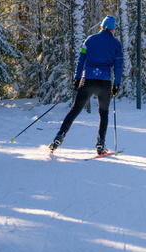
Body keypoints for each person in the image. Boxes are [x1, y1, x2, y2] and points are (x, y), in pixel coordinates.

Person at [49, 15, 124, 155]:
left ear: (101, 27)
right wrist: (116, 85)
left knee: (74, 111)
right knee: (104, 113)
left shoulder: (89, 40)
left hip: (88, 80)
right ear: (113, 30)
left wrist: (77, 78)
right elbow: (118, 66)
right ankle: (100, 143)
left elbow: (81, 59)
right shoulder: (116, 44)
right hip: (104, 82)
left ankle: (59, 137)